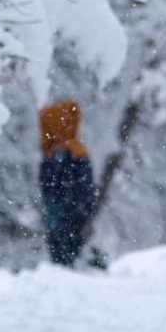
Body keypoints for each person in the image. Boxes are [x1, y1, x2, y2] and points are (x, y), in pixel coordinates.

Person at [37, 100, 99, 268]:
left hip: (63, 213)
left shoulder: (62, 152)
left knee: (63, 256)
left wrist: (59, 211)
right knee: (71, 250)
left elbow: (57, 186)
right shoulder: (75, 149)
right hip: (74, 211)